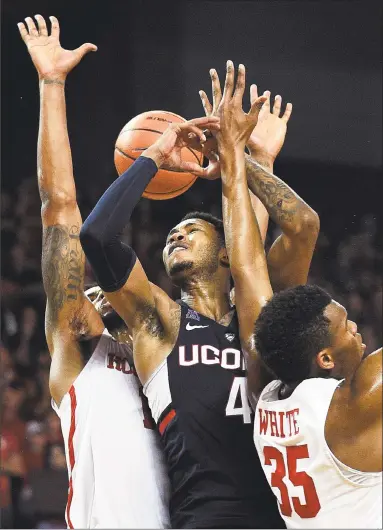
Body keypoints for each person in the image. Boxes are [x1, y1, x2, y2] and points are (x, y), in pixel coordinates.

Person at [80, 59, 318, 528]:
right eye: (172, 233)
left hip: (283, 516)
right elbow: (97, 237)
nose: (175, 235)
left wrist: (250, 160)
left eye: (191, 228)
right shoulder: (160, 321)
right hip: (206, 515)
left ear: (227, 256)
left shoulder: (266, 315)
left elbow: (292, 230)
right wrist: (153, 158)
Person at [18, 15, 170, 529]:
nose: (101, 295)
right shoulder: (80, 349)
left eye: (111, 290)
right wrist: (52, 84)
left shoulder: (170, 359)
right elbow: (59, 207)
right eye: (94, 294)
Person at [216, 63, 382, 528]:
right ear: (325, 359)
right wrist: (234, 156)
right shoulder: (357, 402)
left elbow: (246, 266)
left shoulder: (268, 396)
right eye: (347, 329)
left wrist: (236, 156)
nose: (359, 333)